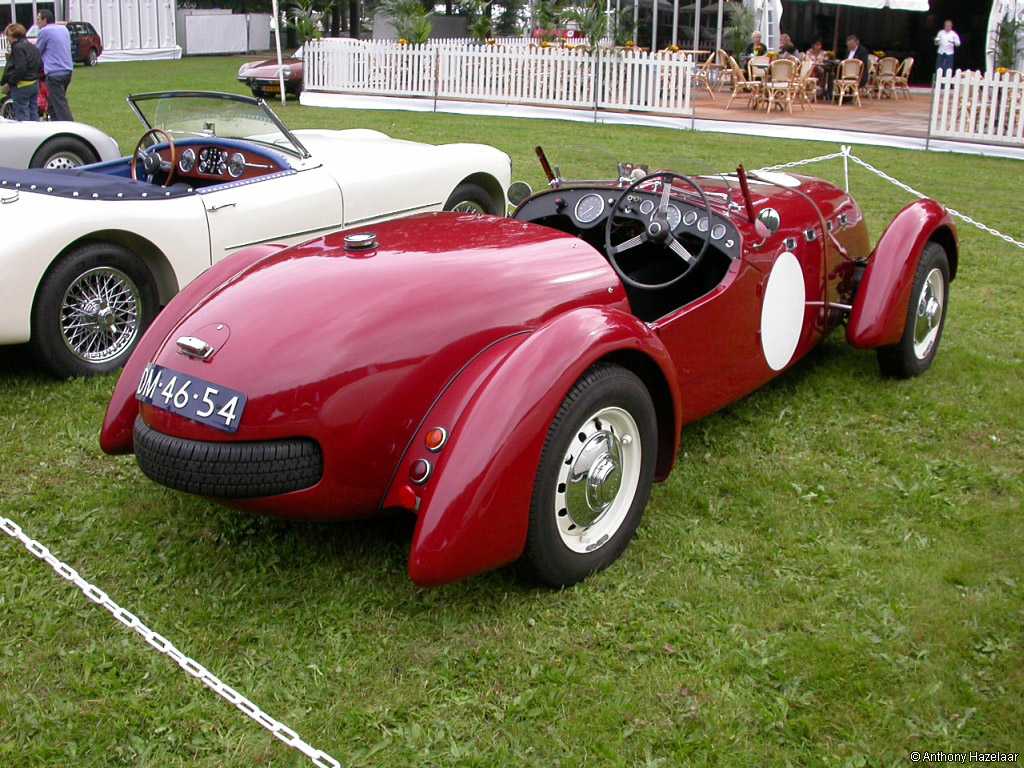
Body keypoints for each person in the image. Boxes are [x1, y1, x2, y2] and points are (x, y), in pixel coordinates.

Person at [35, 9, 74, 121]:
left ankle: (70, 127)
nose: (37, 22)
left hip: (54, 73)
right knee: (52, 102)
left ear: (45, 20)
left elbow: (38, 51)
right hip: (67, 70)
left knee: (60, 104)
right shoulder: (63, 29)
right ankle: (55, 125)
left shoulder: (44, 31)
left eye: (38, 19)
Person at [2, 24, 43, 121]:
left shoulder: (17, 48)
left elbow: (20, 68)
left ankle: (26, 135)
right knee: (33, 112)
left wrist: (10, 83)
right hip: (34, 84)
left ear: (12, 35)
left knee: (22, 114)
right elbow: (40, 64)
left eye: (7, 35)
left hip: (22, 85)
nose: (7, 38)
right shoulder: (32, 46)